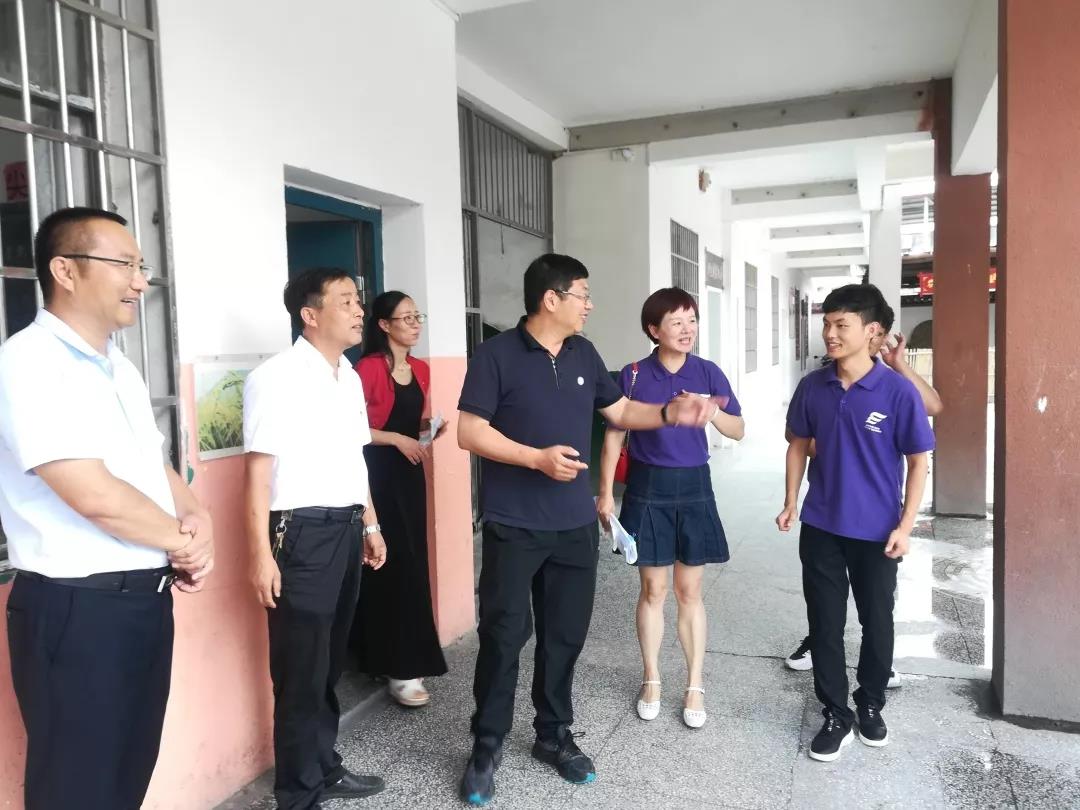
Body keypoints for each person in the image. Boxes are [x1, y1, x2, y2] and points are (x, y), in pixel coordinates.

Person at [456, 254, 718, 805]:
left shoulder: (584, 353)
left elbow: (619, 412)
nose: (590, 305)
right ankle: (487, 743)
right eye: (583, 294)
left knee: (564, 637)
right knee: (504, 635)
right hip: (515, 524)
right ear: (551, 298)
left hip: (573, 525)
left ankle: (553, 735)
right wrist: (535, 458)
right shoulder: (496, 355)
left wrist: (669, 413)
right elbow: (470, 431)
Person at [0, 207, 214, 809]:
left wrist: (199, 517)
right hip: (77, 609)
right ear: (65, 270)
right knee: (78, 787)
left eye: (141, 266)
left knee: (127, 770)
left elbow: (154, 464)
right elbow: (90, 491)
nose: (140, 282)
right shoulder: (29, 361)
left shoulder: (119, 366)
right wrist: (180, 540)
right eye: (124, 264)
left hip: (142, 601)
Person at [244, 267, 388, 809]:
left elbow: (355, 459)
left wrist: (370, 524)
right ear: (310, 314)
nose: (358, 310)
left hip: (345, 529)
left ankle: (323, 767)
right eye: (345, 301)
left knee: (328, 663)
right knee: (300, 673)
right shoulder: (275, 377)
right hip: (299, 535)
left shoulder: (347, 375)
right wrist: (261, 556)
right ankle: (298, 795)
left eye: (357, 300)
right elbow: (257, 475)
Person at [776, 283, 935, 763]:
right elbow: (797, 445)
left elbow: (919, 461)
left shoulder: (898, 391)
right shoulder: (813, 386)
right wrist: (791, 500)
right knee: (825, 623)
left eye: (841, 324)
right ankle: (835, 712)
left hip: (877, 531)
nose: (830, 333)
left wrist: (905, 526)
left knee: (876, 620)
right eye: (827, 323)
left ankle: (870, 701)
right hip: (822, 524)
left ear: (872, 332)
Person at [596, 288, 744, 730]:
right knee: (652, 591)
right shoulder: (634, 375)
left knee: (689, 591)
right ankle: (652, 678)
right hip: (647, 487)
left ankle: (695, 684)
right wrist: (605, 493)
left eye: (692, 320)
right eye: (676, 322)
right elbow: (614, 436)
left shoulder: (709, 372)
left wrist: (711, 411)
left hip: (695, 485)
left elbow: (738, 429)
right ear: (654, 329)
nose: (687, 329)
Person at [350, 291, 448, 708]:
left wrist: (429, 431)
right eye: (405, 318)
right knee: (387, 564)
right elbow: (351, 427)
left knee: (412, 560)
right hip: (377, 475)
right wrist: (395, 438)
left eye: (417, 316)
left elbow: (414, 425)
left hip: (409, 475)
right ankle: (396, 665)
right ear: (384, 325)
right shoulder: (369, 368)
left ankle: (399, 658)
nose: (414, 323)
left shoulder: (421, 369)